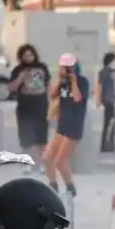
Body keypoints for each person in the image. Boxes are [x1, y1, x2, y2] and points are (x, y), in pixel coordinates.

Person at [42, 53, 88, 196]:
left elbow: (78, 98)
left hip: (74, 126)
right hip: (62, 125)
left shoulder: (82, 81)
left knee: (59, 161)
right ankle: (53, 185)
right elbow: (52, 95)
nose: (66, 70)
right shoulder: (62, 82)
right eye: (63, 67)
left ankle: (70, 188)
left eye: (69, 68)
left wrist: (73, 81)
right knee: (47, 158)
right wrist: (60, 79)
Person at [9, 44, 51, 169]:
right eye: (25, 55)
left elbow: (49, 83)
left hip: (41, 104)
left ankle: (41, 163)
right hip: (25, 105)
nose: (28, 57)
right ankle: (29, 162)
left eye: (30, 54)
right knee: (26, 135)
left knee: (41, 136)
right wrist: (20, 79)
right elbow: (11, 88)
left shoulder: (42, 67)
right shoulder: (18, 69)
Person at [96, 52, 115, 154]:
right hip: (108, 102)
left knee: (108, 124)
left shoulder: (111, 72)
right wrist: (98, 101)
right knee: (108, 124)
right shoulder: (105, 72)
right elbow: (99, 87)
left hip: (109, 101)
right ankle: (106, 144)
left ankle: (107, 144)